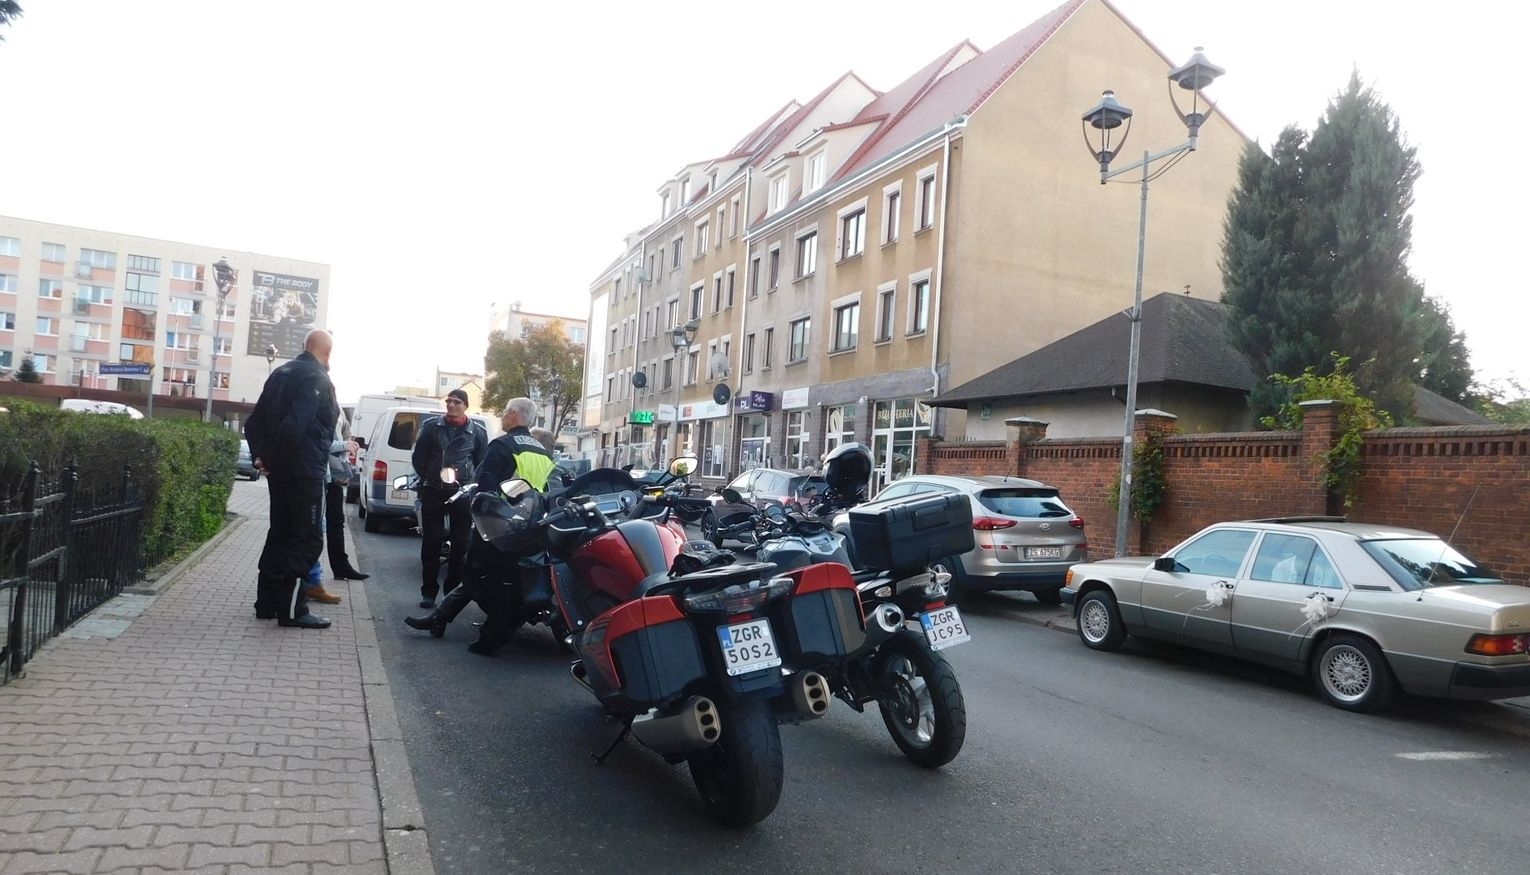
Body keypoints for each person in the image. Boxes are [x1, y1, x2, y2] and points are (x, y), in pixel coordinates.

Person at [405, 397, 557, 654]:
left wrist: (477, 513)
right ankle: (440, 619)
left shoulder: (503, 445)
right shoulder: (541, 451)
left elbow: (486, 489)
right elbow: (543, 490)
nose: (503, 416)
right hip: (528, 526)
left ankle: (492, 636)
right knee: (496, 578)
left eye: (505, 411)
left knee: (478, 575)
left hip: (499, 525)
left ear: (514, 414)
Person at [245, 329, 340, 629]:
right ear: (328, 353)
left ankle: (267, 604)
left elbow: (254, 422)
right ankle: (292, 610)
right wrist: (273, 458)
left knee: (280, 534)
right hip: (304, 472)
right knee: (306, 539)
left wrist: (261, 457)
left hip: (281, 474)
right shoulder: (317, 378)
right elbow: (295, 425)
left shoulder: (280, 374)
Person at [410, 388, 487, 609]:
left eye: (457, 402)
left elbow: (481, 463)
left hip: (462, 494)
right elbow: (419, 458)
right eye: (449, 401)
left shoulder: (477, 432)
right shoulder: (431, 427)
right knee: (431, 542)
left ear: (465, 406)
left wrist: (470, 487)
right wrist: (432, 476)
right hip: (433, 490)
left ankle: (451, 592)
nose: (451, 405)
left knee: (460, 544)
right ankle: (428, 592)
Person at [326, 438, 369, 581]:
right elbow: (321, 441)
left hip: (333, 475)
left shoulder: (340, 421)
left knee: (337, 522)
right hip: (318, 475)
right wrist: (344, 445)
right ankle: (309, 578)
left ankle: (340, 567)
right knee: (314, 527)